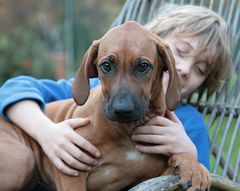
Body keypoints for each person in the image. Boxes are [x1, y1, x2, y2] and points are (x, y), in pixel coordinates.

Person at [0, 4, 231, 179]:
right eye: (180, 51)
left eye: (200, 69)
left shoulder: (189, 124)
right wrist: (45, 132)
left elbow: (201, 181)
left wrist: (187, 151)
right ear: (157, 49)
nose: (184, 69)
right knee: (19, 162)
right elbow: (13, 88)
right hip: (18, 147)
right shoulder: (94, 89)